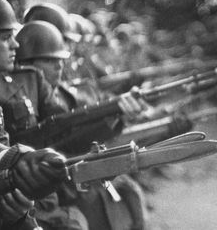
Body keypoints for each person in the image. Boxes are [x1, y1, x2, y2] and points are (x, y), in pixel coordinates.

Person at [15, 20, 148, 230]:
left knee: (129, 193)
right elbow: (63, 139)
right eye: (50, 59)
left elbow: (73, 131)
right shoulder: (22, 99)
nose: (61, 63)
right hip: (50, 189)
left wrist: (115, 115)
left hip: (66, 178)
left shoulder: (55, 92)